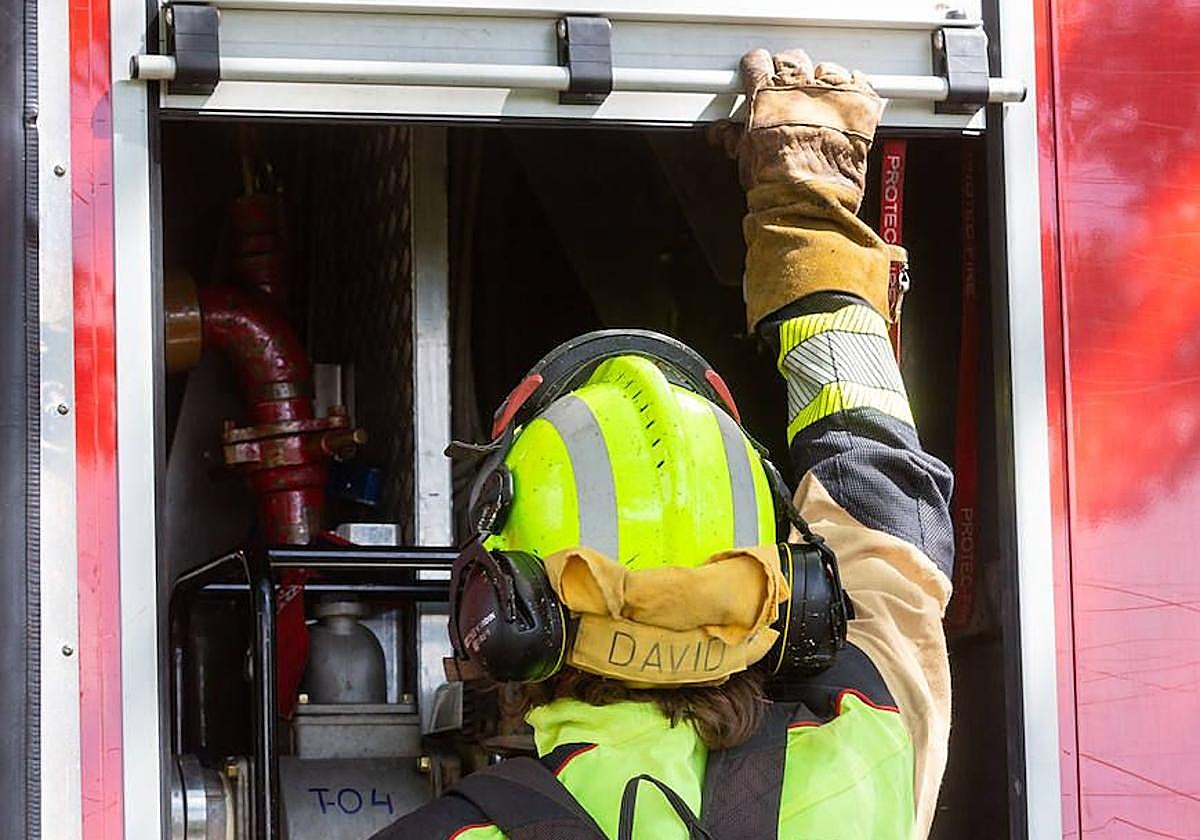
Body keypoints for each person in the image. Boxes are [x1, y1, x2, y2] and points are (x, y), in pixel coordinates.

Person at [372, 48, 953, 840]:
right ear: (793, 599)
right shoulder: (869, 754)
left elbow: (886, 511)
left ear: (498, 607)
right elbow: (891, 537)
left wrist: (806, 212)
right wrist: (809, 208)